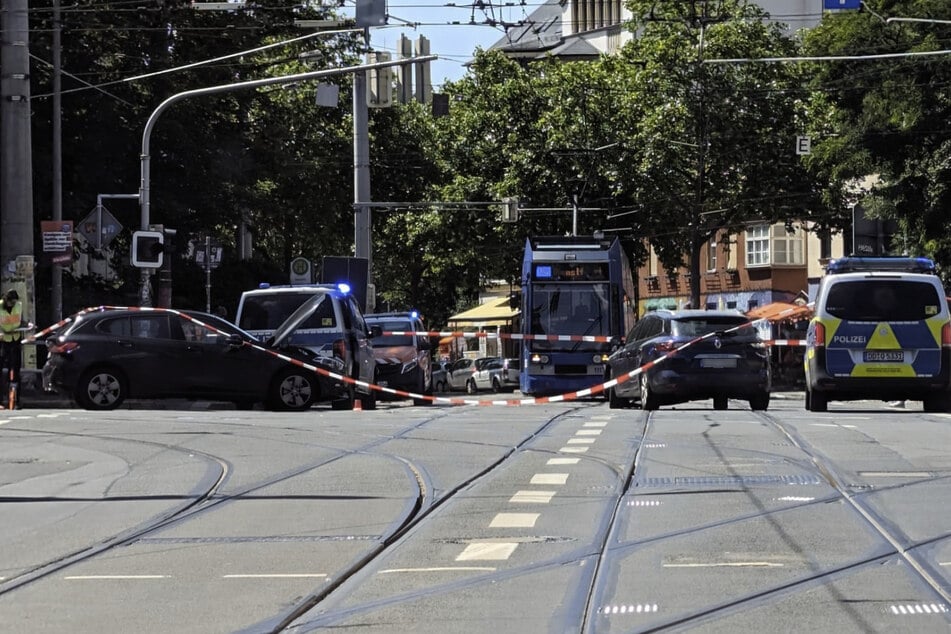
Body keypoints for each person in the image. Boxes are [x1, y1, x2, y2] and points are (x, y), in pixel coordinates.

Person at [0, 290, 24, 408]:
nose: (12, 305)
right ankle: (1, 401)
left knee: (15, 371)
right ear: (6, 300)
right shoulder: (0, 306)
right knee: (2, 372)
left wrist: (27, 326)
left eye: (14, 302)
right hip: (3, 341)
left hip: (15, 339)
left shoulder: (18, 306)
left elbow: (21, 321)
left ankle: (15, 401)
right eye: (10, 303)